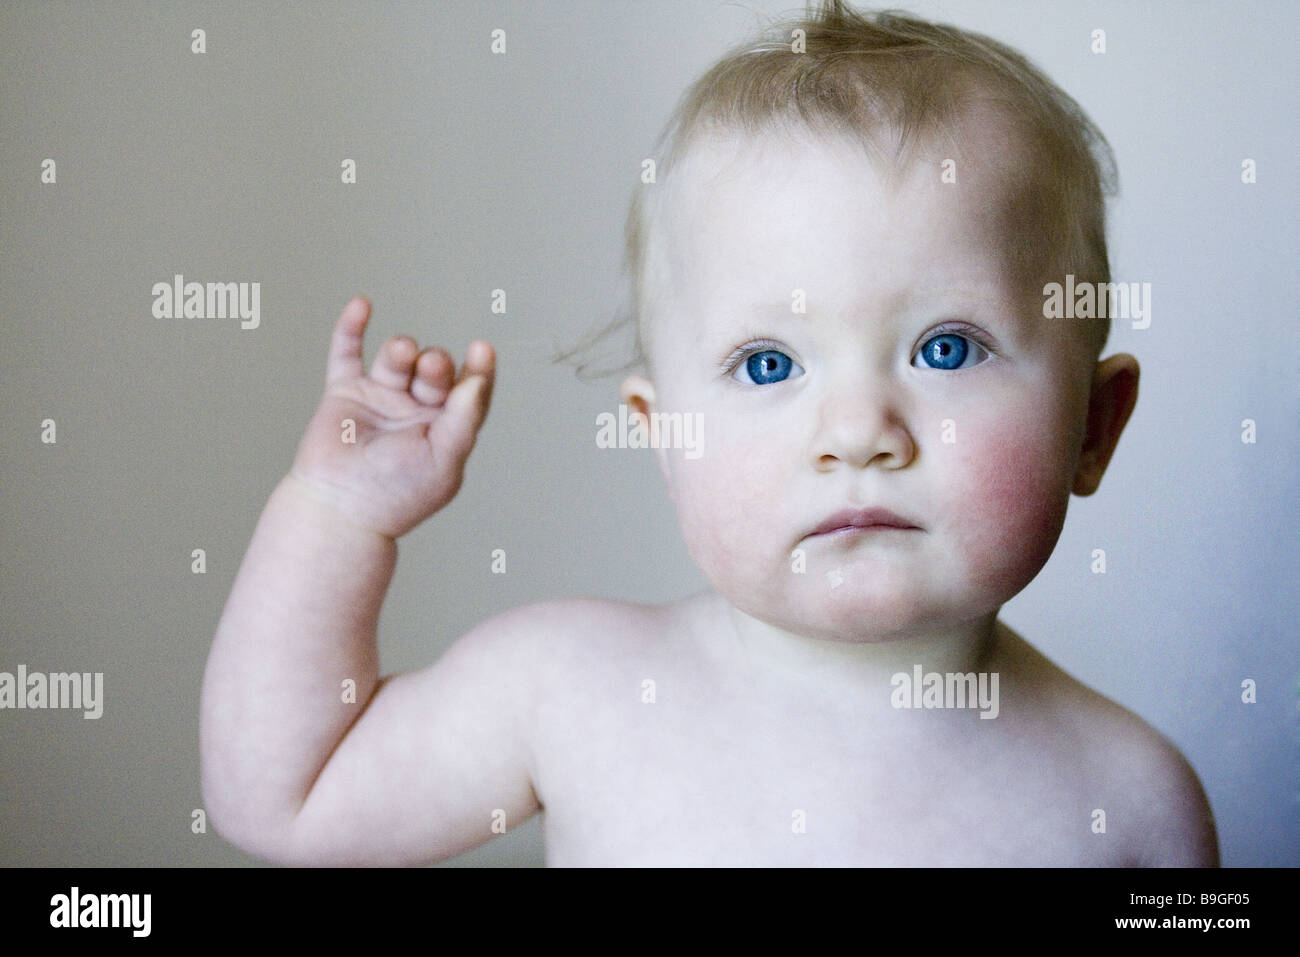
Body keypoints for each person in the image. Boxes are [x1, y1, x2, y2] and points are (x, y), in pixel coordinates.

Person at [200, 1, 1218, 866]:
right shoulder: (569, 689)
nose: (857, 432)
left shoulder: (1133, 805)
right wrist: (334, 515)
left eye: (946, 349)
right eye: (768, 364)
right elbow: (287, 799)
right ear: (662, 430)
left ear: (1093, 424)